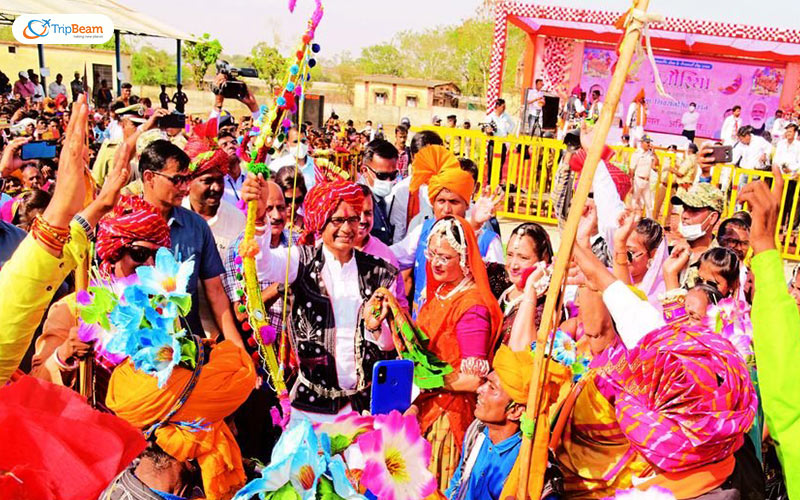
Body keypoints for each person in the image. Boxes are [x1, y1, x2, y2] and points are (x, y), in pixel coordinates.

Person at [245, 177, 398, 421]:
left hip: (364, 406)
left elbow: (390, 345)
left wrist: (375, 326)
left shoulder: (380, 272)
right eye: (338, 220)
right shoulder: (301, 261)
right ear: (321, 221)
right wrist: (258, 217)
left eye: (352, 219)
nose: (347, 228)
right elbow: (263, 267)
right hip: (311, 407)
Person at [29, 196, 170, 397]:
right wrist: (65, 353)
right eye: (140, 254)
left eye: (158, 256)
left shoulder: (163, 306)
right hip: (89, 421)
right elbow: (37, 384)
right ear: (114, 254)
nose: (151, 265)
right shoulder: (71, 309)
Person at [413, 216, 503, 490]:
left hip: (448, 419)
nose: (436, 263)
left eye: (445, 257)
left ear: (464, 259)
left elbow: (472, 380)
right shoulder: (441, 291)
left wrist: (426, 381)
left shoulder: (471, 307)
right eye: (433, 255)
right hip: (428, 406)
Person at [139, 139, 241, 345]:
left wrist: (237, 349)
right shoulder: (123, 224)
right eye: (176, 180)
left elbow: (216, 293)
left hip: (189, 346)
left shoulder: (196, 227)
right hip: (139, 345)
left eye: (186, 179)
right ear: (149, 177)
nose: (184, 188)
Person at [392, 145, 503, 317]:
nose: (446, 209)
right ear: (432, 203)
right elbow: (392, 257)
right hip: (422, 330)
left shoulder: (487, 240)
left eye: (454, 201)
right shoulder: (424, 230)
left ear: (466, 204)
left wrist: (474, 226)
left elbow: (497, 289)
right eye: (441, 201)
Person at [445, 345, 534, 500]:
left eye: (492, 388)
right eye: (485, 382)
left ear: (516, 411)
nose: (480, 390)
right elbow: (458, 484)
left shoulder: (528, 461)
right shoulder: (477, 431)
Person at [497, 222, 553, 345]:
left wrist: (531, 287)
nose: (513, 265)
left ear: (543, 260)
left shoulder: (546, 305)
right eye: (510, 255)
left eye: (523, 258)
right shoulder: (501, 280)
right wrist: (475, 224)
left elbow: (523, 350)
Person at [354, 184, 408, 310]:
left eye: (368, 213)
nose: (362, 219)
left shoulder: (385, 255)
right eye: (356, 212)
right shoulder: (331, 250)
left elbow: (399, 305)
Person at [670, 183, 725, 285]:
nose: (685, 215)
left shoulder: (721, 262)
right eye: (685, 208)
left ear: (712, 218)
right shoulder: (672, 251)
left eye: (694, 210)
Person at [359, 139, 402, 245]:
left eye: (393, 175)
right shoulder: (356, 202)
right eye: (382, 176)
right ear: (365, 171)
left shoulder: (380, 198)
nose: (388, 181)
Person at [629, 136, 658, 217]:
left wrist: (654, 153)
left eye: (649, 142)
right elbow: (631, 169)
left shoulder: (650, 153)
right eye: (647, 142)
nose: (649, 144)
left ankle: (650, 221)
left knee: (649, 204)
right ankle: (631, 220)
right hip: (638, 180)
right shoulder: (637, 154)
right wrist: (631, 183)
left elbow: (655, 165)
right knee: (634, 202)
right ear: (642, 143)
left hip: (646, 181)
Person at [274, 165, 308, 230]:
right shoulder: (268, 224)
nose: (293, 205)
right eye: (287, 200)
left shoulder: (307, 224)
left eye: (298, 200)